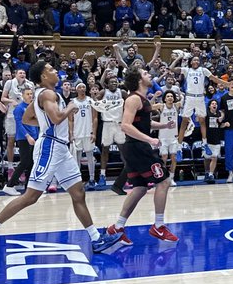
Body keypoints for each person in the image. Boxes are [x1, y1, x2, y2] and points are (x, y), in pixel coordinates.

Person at [0, 59, 122, 258]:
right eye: (51, 69)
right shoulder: (48, 94)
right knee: (31, 196)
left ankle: (95, 239)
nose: (56, 71)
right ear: (43, 76)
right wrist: (70, 107)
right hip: (49, 147)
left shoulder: (44, 95)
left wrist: (46, 122)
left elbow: (27, 118)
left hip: (60, 149)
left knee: (78, 193)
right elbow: (57, 118)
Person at [107, 66, 177, 243]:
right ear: (139, 80)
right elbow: (125, 125)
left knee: (140, 188)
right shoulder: (133, 99)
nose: (149, 75)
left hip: (134, 148)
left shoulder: (142, 99)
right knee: (164, 181)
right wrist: (150, 139)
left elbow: (144, 123)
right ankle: (159, 226)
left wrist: (163, 126)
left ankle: (117, 227)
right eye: (145, 74)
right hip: (138, 147)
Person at [69, 82, 100, 188]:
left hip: (88, 132)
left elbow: (95, 118)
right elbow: (70, 120)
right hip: (77, 133)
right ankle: (78, 180)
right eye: (80, 87)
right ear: (76, 89)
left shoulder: (90, 101)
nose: (82, 89)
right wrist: (71, 134)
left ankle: (92, 179)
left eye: (84, 87)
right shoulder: (72, 102)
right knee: (76, 158)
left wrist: (94, 133)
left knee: (90, 156)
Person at [156, 89, 181, 182]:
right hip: (163, 137)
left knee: (174, 158)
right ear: (165, 99)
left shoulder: (176, 105)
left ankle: (171, 177)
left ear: (174, 98)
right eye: (168, 96)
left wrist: (180, 94)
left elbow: (185, 100)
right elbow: (149, 106)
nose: (170, 98)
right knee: (164, 157)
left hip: (173, 137)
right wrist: (154, 97)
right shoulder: (161, 106)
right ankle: (164, 178)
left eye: (171, 96)